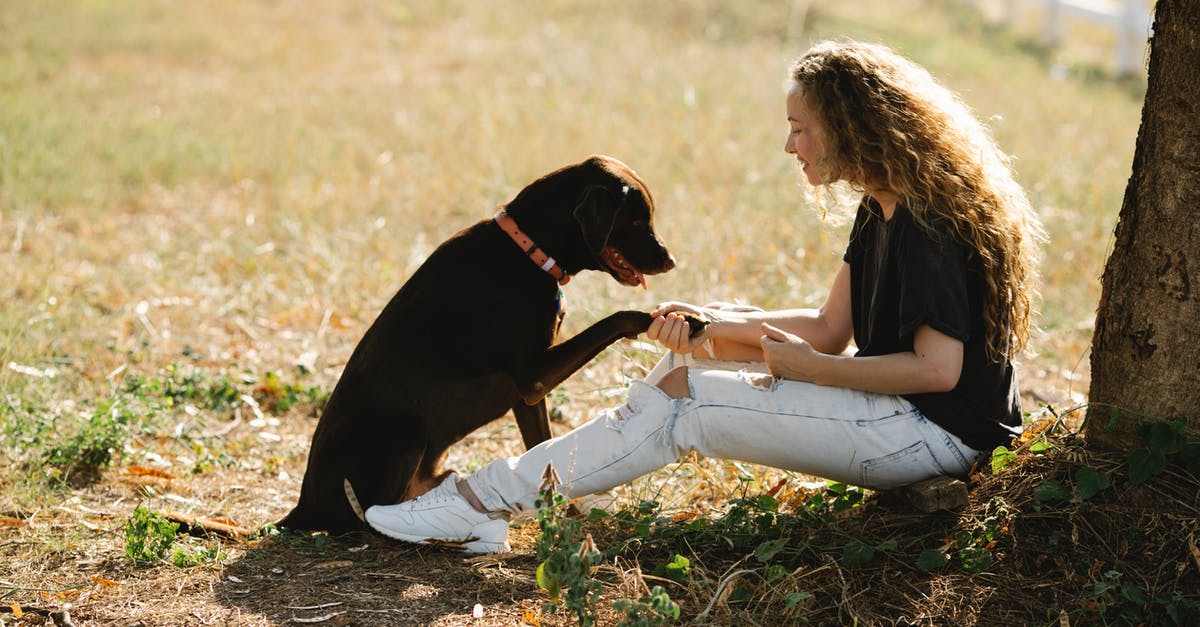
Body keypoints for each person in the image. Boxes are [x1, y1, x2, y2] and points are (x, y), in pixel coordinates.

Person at [363, 39, 1044, 553]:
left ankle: (474, 498)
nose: (790, 146)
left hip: (935, 435)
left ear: (854, 127)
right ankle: (483, 512)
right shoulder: (881, 208)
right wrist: (714, 324)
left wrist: (809, 369)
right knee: (679, 371)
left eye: (801, 128)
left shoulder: (929, 225)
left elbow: (937, 371)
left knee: (686, 402)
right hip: (898, 412)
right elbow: (829, 326)